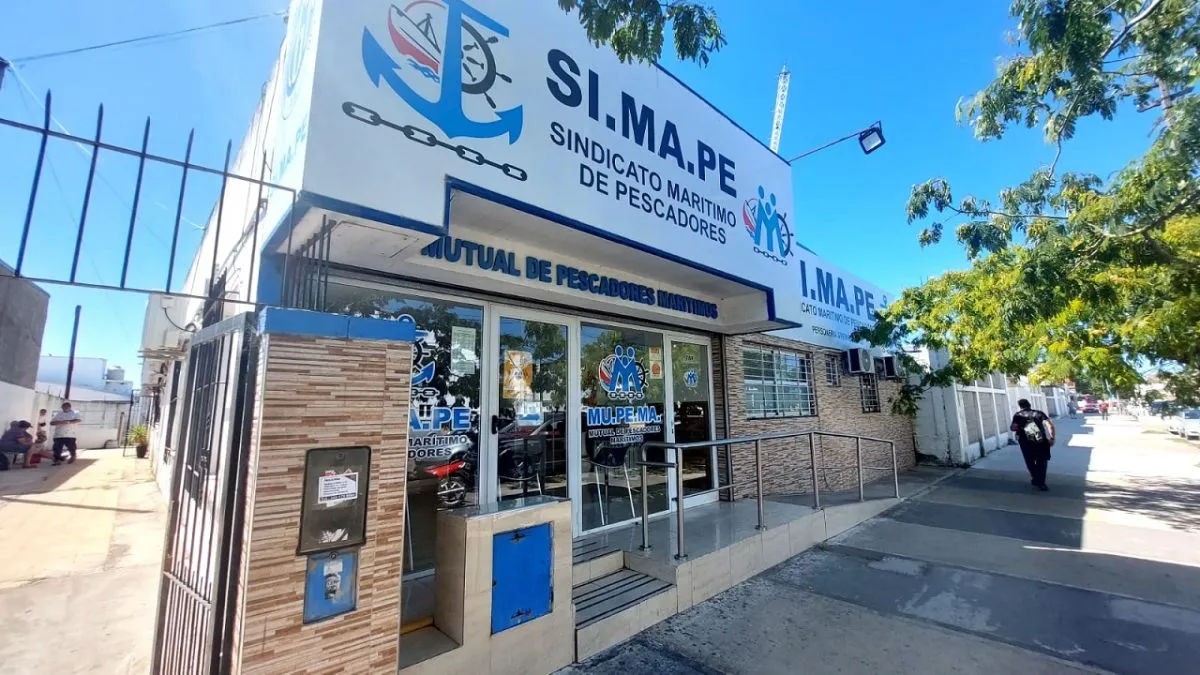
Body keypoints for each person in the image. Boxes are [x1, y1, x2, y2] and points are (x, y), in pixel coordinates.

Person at [1011, 399, 1055, 491]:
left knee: (1029, 461)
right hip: (1040, 440)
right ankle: (1041, 483)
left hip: (1025, 442)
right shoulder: (1039, 413)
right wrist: (1052, 437)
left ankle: (1036, 478)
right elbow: (1049, 425)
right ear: (1029, 405)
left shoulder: (1018, 415)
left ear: (1020, 406)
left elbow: (1014, 428)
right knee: (1042, 461)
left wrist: (1018, 428)